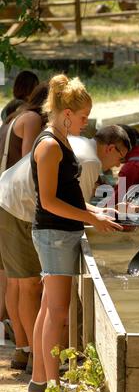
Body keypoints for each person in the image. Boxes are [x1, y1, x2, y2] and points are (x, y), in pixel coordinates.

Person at [29, 74, 122, 392]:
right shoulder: (51, 145)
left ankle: (41, 379)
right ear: (67, 112)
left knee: (48, 309)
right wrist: (92, 218)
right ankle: (53, 388)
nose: (88, 123)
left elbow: (70, 197)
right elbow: (50, 202)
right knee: (57, 312)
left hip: (60, 232)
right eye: (84, 117)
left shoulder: (61, 140)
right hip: (54, 235)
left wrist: (103, 209)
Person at [0, 82, 49, 373]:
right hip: (17, 205)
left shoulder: (13, 117)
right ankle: (33, 352)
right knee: (28, 282)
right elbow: (33, 161)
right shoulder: (31, 120)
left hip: (5, 203)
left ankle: (22, 348)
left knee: (15, 281)